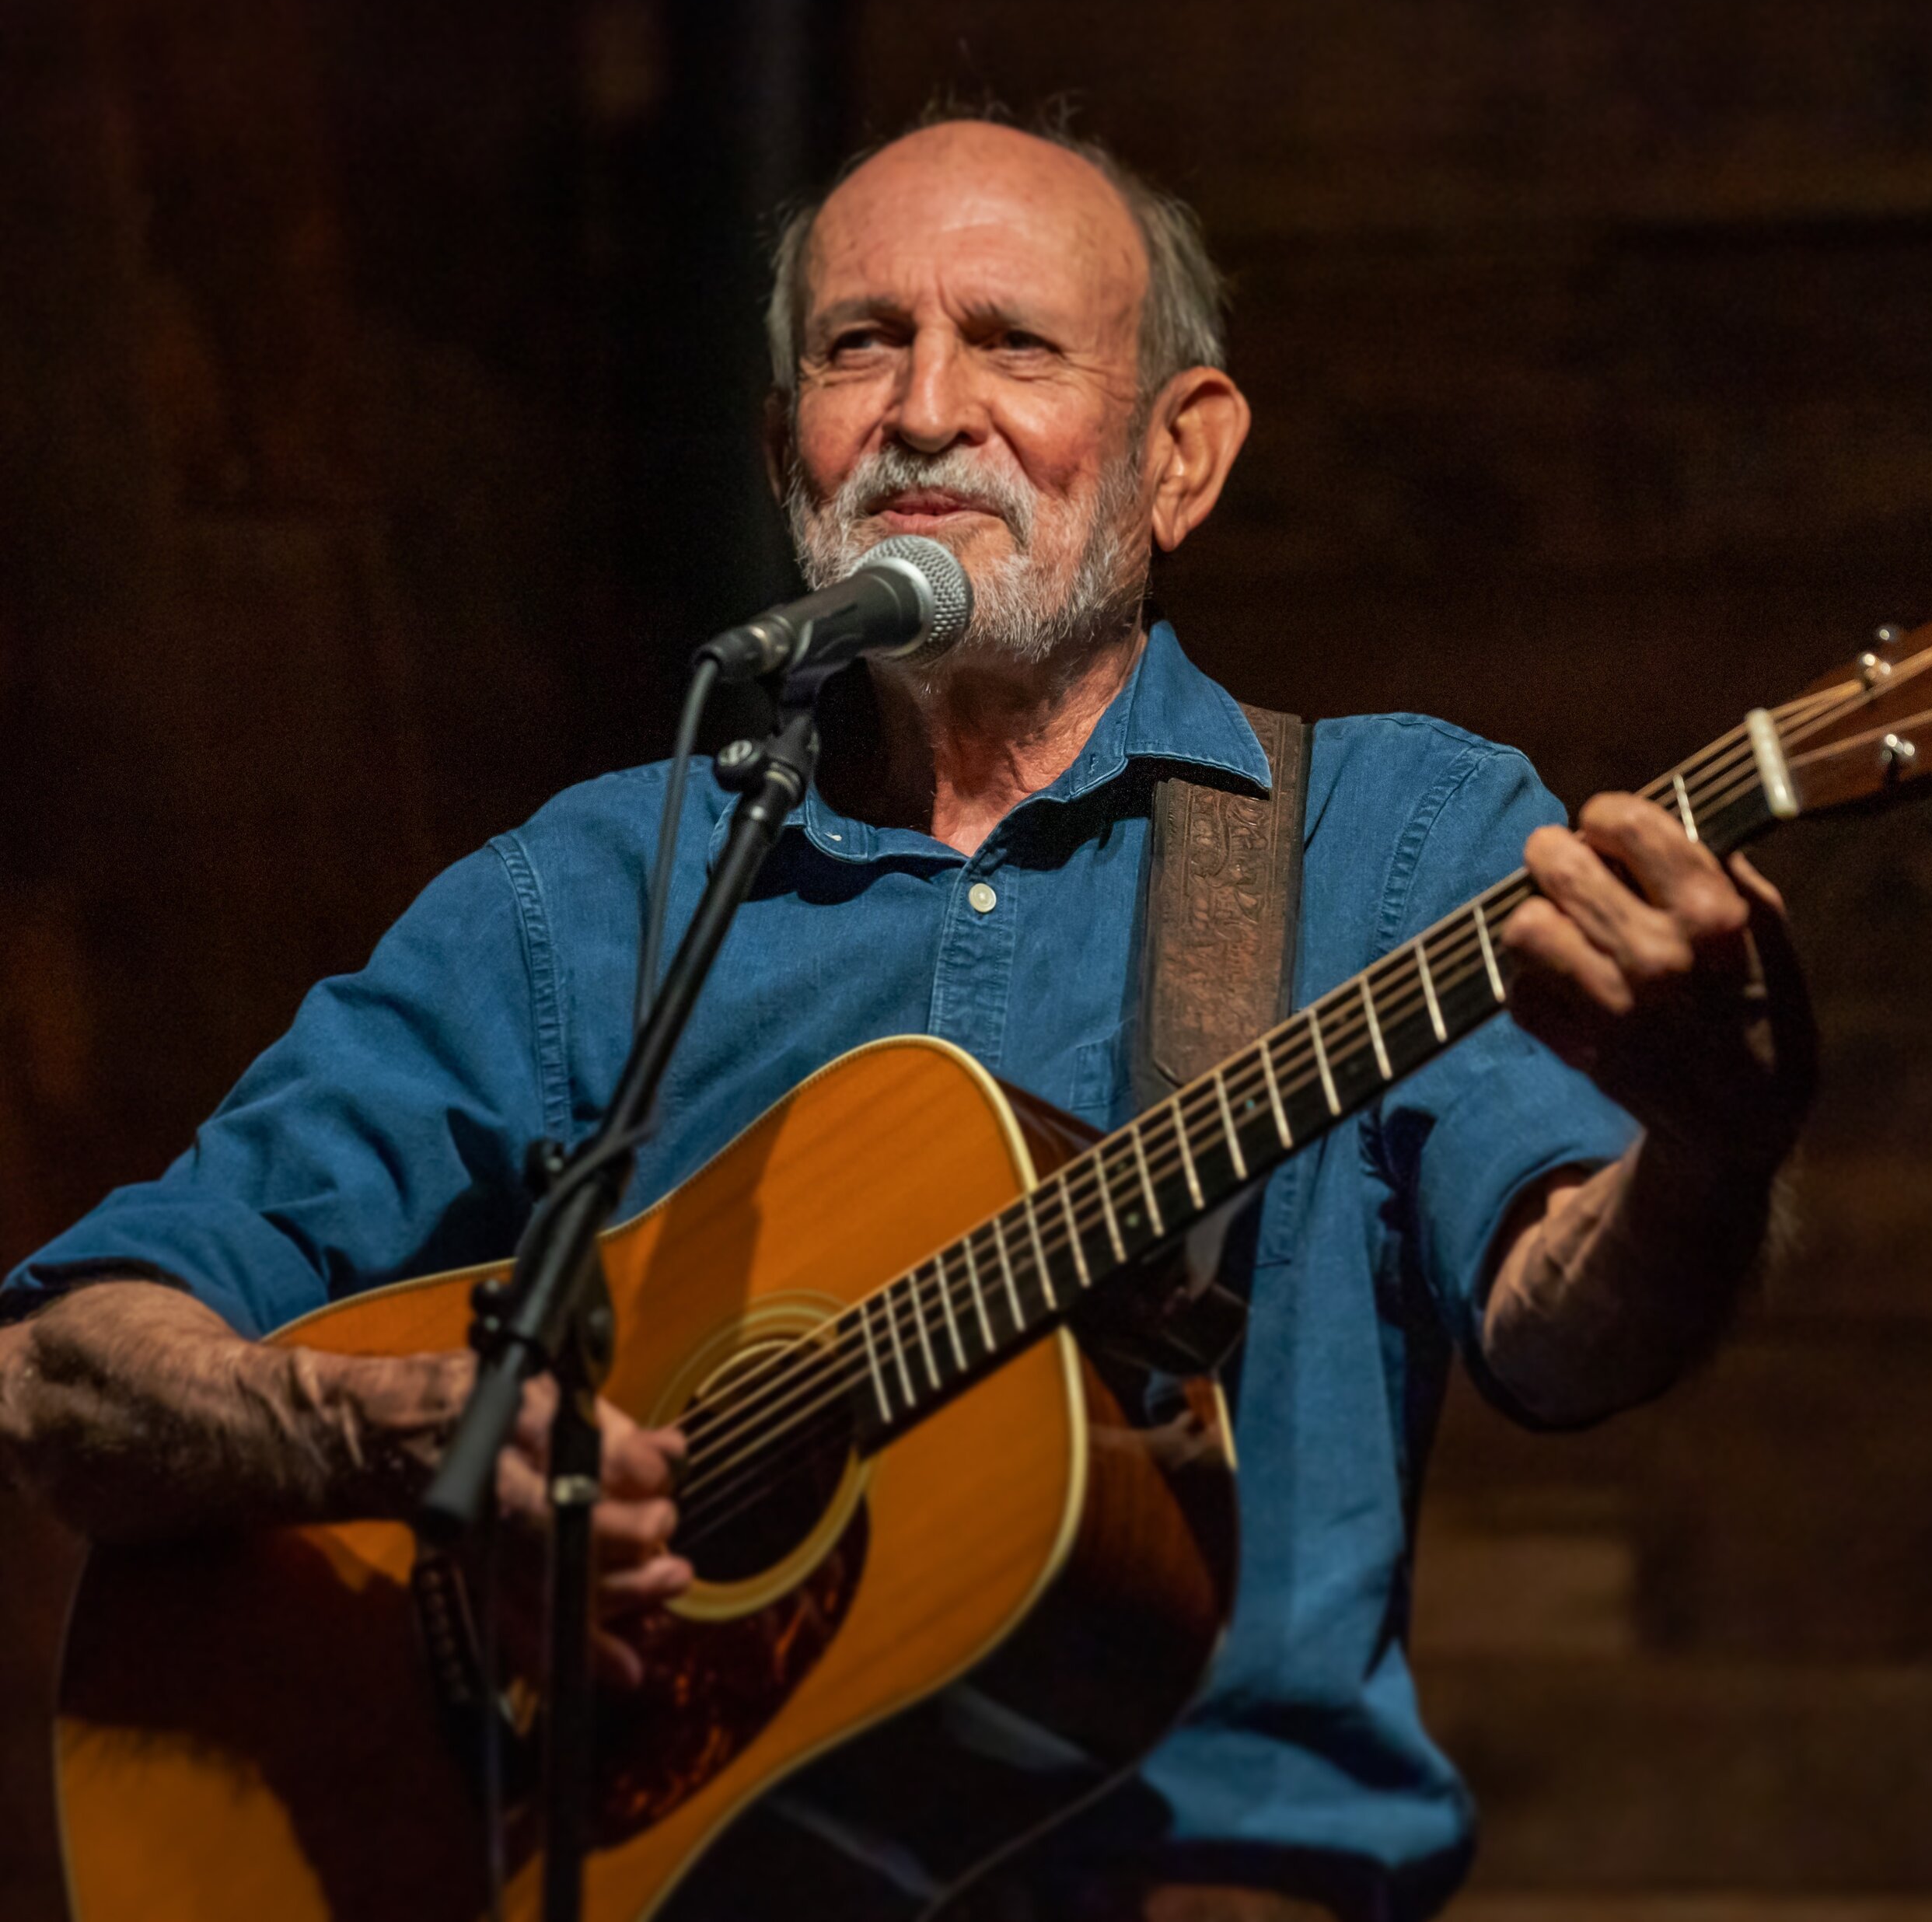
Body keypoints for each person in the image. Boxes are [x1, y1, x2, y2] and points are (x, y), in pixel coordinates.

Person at [0, 114, 1811, 1918]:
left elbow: (1564, 1332)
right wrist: (397, 1438)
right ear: (789, 438)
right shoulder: (592, 891)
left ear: (1182, 458)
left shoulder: (1395, 841)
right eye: (857, 343)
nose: (923, 408)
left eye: (1009, 341)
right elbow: (63, 1365)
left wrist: (1709, 1140)